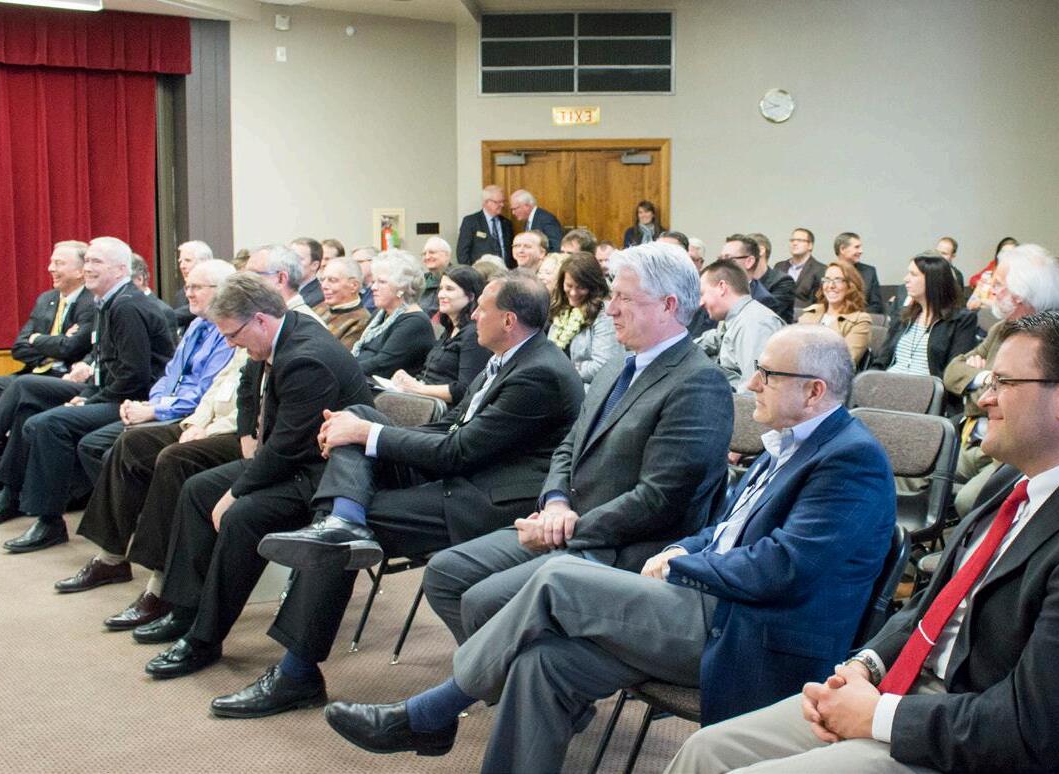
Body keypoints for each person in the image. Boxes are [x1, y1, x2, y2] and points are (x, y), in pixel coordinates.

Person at [322, 326, 897, 772]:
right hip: (713, 608)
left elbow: (783, 568)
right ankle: (441, 721)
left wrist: (684, 564)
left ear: (814, 391)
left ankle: (432, 712)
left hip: (755, 633)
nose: (751, 385)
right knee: (543, 664)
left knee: (559, 578)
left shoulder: (849, 460)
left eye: (767, 375)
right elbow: (724, 530)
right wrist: (684, 550)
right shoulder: (789, 444)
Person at [668, 311, 1059, 774]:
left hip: (972, 744)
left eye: (1003, 382)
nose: (983, 397)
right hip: (913, 697)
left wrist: (881, 716)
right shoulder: (1020, 479)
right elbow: (934, 604)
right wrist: (864, 666)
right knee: (706, 750)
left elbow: (1039, 729)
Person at [215, 274, 586, 719]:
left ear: (508, 321)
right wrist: (367, 430)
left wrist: (371, 436)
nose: (472, 316)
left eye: (481, 309)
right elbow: (449, 428)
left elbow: (458, 450)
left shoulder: (539, 374)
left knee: (340, 533)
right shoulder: (511, 358)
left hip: (486, 499)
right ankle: (342, 519)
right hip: (463, 474)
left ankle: (297, 672)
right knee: (357, 413)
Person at [416, 242, 733, 651]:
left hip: (623, 546)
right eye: (612, 296)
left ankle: (522, 675)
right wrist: (554, 503)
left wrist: (568, 528)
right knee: (445, 572)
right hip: (566, 523)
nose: (611, 309)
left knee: (483, 600)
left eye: (624, 298)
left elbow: (660, 500)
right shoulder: (619, 365)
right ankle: (516, 674)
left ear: (667, 305)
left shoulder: (698, 382)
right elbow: (569, 446)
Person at [138, 273, 374, 678]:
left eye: (233, 335)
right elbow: (248, 383)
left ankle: (204, 638)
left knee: (241, 514)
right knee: (196, 490)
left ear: (260, 320)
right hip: (294, 460)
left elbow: (289, 446)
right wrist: (247, 436)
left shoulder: (307, 358)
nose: (230, 343)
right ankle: (185, 610)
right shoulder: (275, 336)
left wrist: (236, 491)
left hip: (326, 474)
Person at [0, 238, 177, 550]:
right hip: (114, 395)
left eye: (97, 262)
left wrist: (92, 399)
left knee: (48, 424)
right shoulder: (109, 302)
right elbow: (105, 367)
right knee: (35, 415)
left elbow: (133, 377)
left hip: (136, 403)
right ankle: (36, 509)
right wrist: (89, 394)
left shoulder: (126, 307)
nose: (88, 268)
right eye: (87, 260)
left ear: (121, 270)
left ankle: (48, 520)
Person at [52, 259, 237, 592]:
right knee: (119, 446)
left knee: (135, 453)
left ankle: (159, 578)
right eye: (188, 286)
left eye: (197, 287)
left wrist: (158, 411)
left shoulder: (230, 332)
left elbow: (205, 392)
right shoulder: (197, 325)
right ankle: (110, 558)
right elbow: (170, 375)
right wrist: (151, 404)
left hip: (198, 419)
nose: (188, 293)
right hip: (175, 411)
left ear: (222, 291)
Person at [0, 240, 95, 473]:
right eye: (51, 262)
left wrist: (37, 339)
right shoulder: (46, 299)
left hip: (64, 380)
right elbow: (19, 348)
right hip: (36, 373)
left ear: (80, 271)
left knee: (24, 399)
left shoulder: (91, 302)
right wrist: (52, 344)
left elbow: (70, 348)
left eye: (59, 263)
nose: (50, 268)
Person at [943, 244, 1059, 514]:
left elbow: (1011, 405)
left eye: (998, 285)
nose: (991, 291)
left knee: (967, 502)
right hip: (971, 440)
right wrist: (986, 378)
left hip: (1011, 453)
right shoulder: (1002, 329)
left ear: (1019, 295)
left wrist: (974, 387)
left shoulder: (1051, 342)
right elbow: (952, 371)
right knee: (910, 470)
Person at [873, 253, 978, 397]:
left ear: (932, 281)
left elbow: (953, 373)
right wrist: (870, 383)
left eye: (913, 274)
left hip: (926, 394)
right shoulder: (904, 315)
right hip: (888, 387)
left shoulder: (961, 320)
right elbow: (882, 360)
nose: (906, 279)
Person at [387, 266, 491, 407]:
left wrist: (418, 388)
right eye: (441, 288)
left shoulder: (473, 334)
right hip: (421, 399)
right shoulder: (449, 330)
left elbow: (465, 390)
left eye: (449, 289)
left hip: (439, 409)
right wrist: (407, 380)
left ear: (471, 296)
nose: (441, 294)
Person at [697, 258, 786, 392]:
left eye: (702, 294)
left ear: (722, 287)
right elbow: (710, 341)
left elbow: (756, 390)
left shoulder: (754, 324)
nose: (701, 303)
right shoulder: (737, 319)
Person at [351, 251, 436, 379]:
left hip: (386, 388)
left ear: (402, 287)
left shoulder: (415, 322)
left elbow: (382, 365)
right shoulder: (380, 314)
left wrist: (343, 369)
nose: (373, 287)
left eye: (381, 282)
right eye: (374, 281)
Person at [548, 253, 623, 387]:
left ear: (593, 286)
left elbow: (603, 366)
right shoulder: (562, 308)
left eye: (581, 287)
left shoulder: (605, 314)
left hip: (587, 390)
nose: (573, 293)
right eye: (569, 285)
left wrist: (563, 370)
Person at [797, 261, 871, 365]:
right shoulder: (811, 312)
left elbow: (844, 362)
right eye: (827, 280)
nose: (831, 285)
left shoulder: (860, 321)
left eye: (838, 280)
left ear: (851, 285)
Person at [721, 234, 792, 321]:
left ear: (761, 251)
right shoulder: (722, 286)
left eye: (729, 258)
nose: (721, 265)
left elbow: (767, 317)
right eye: (720, 259)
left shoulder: (782, 282)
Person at [312, 256, 371, 349]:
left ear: (354, 286)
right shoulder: (319, 307)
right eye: (322, 280)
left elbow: (338, 355)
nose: (324, 286)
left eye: (332, 280)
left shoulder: (361, 322)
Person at [456, 185, 513, 267]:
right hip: (480, 271)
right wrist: (470, 272)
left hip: (505, 271)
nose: (502, 205)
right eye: (498, 202)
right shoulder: (471, 221)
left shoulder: (506, 223)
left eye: (503, 201)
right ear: (486, 202)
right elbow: (462, 253)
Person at [775, 227, 826, 314]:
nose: (794, 243)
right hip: (779, 314)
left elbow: (820, 301)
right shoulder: (779, 266)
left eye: (799, 240)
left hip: (806, 317)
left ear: (810, 245)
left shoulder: (821, 269)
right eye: (792, 240)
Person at [833, 232, 884, 314]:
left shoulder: (869, 272)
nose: (861, 251)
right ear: (842, 249)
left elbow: (876, 305)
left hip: (862, 318)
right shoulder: (827, 273)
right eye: (856, 247)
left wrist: (856, 316)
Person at [170, 240, 214, 330]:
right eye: (180, 262)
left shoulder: (214, 289)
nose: (182, 266)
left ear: (204, 263)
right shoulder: (180, 295)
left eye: (187, 260)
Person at [965, 237, 1017, 310]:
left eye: (1011, 253)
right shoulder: (987, 275)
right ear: (997, 255)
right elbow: (970, 304)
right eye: (1003, 252)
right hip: (981, 314)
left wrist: (982, 302)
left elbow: (1010, 308)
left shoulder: (1020, 281)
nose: (1006, 256)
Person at [418, 237, 454, 316]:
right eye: (424, 254)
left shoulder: (455, 280)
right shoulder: (420, 280)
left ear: (447, 255)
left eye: (432, 252)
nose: (427, 257)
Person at [290, 237, 325, 308]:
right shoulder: (283, 290)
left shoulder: (319, 297)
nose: (291, 262)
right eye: (290, 257)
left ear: (314, 265)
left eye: (298, 258)